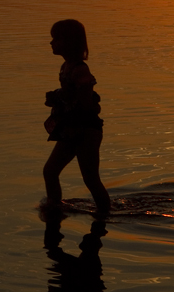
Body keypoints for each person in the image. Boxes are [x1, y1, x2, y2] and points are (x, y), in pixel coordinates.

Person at [42, 19, 111, 216]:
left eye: (56, 39)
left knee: (90, 178)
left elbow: (87, 105)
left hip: (85, 130)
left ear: (68, 42)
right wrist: (57, 98)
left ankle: (105, 214)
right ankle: (54, 207)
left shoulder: (80, 70)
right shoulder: (66, 66)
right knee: (50, 170)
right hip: (70, 129)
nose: (51, 43)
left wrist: (61, 98)